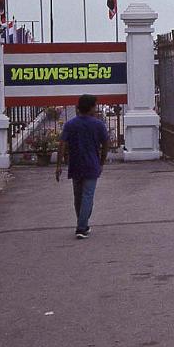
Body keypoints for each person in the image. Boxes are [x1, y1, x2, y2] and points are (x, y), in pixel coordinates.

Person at [55, 94, 110, 239]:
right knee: (87, 196)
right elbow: (105, 144)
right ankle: (81, 226)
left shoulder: (70, 124)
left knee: (78, 196)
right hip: (92, 164)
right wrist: (102, 162)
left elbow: (62, 145)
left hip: (75, 164)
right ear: (92, 107)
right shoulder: (98, 124)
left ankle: (82, 223)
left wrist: (59, 165)